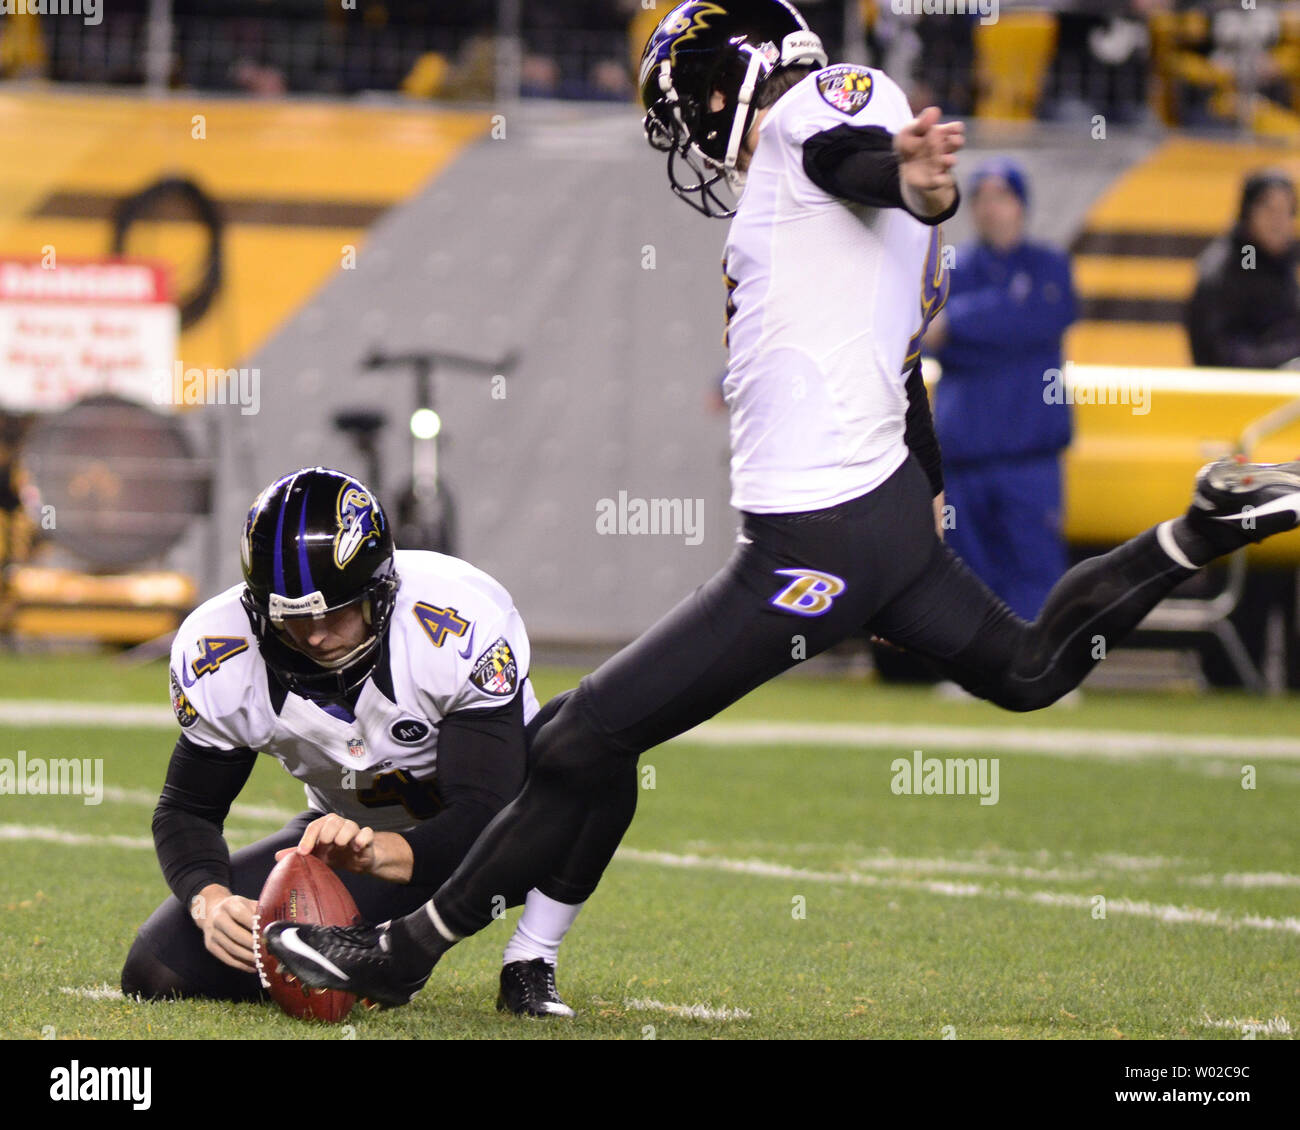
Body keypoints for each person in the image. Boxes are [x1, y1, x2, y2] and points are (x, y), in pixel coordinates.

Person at [265, 0, 1300, 1009]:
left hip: (817, 539)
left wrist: (911, 180)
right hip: (878, 514)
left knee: (578, 742)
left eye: (688, 108)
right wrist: (930, 498)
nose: (693, 138)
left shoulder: (815, 111)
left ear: (729, 82)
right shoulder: (836, 209)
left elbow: (843, 154)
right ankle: (1198, 529)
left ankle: (399, 956)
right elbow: (895, 367)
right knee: (1027, 668)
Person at [121, 467, 635, 1018]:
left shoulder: (452, 621)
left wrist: (383, 851)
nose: (315, 634)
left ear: (379, 591)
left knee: (594, 743)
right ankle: (378, 949)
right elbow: (188, 809)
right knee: (159, 970)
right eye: (292, 619)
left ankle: (531, 959)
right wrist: (210, 899)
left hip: (511, 841)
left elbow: (487, 807)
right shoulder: (218, 652)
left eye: (333, 611)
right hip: (357, 845)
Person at [928, 158, 1077, 620]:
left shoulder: (1049, 264)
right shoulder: (953, 266)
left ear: (1021, 205)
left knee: (1035, 564)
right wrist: (1000, 327)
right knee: (966, 568)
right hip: (964, 457)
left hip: (1029, 457)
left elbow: (1043, 318)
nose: (991, 209)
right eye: (982, 199)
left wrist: (959, 328)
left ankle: (1041, 668)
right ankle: (971, 672)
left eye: (1002, 197)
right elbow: (927, 335)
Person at [1187, 170, 1300, 370]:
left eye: (1286, 211)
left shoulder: (1282, 260)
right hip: (1235, 389)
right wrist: (1288, 356)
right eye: (1270, 210)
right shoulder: (1237, 263)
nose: (1279, 222)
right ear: (1248, 212)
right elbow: (1228, 353)